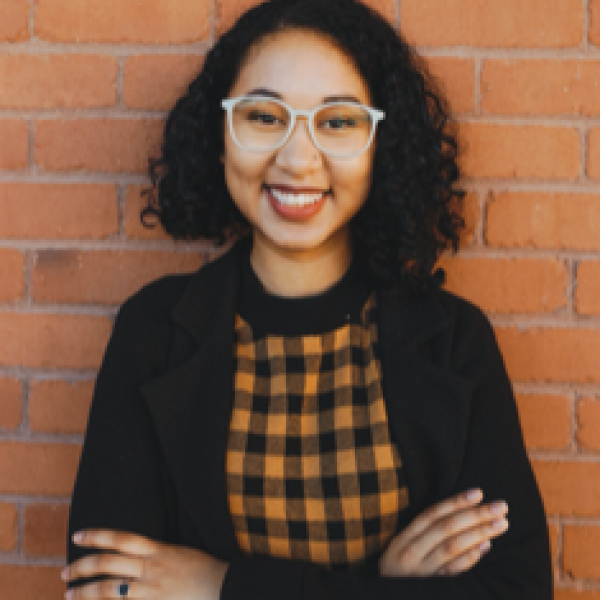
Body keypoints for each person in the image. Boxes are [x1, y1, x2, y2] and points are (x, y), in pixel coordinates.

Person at [63, 0, 553, 598]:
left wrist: (222, 587)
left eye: (338, 122)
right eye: (264, 117)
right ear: (221, 136)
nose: (297, 159)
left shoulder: (453, 342)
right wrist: (383, 587)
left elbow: (517, 591)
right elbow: (106, 588)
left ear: (380, 146)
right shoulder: (153, 332)